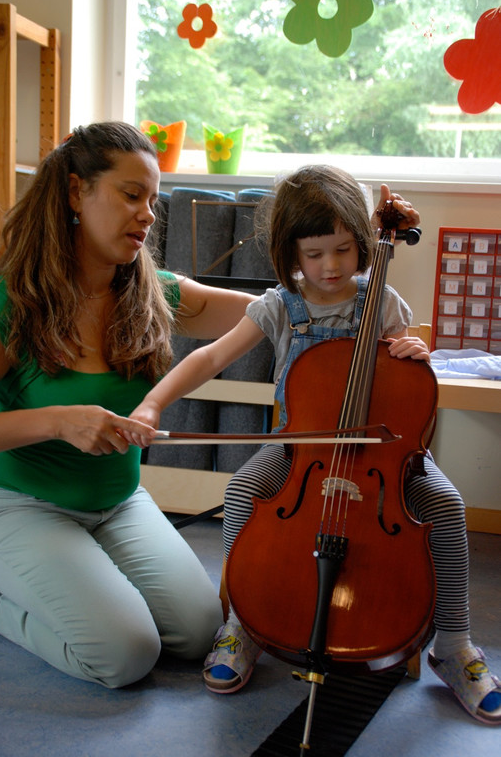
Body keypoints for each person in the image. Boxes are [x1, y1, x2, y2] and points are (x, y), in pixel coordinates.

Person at [127, 164, 501, 724]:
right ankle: (243, 626)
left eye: (344, 250)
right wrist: (153, 403)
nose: (330, 266)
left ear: (362, 246)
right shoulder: (280, 305)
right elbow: (210, 355)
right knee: (243, 490)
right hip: (299, 448)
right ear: (291, 254)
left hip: (379, 453)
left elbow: (405, 388)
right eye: (314, 253)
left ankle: (453, 643)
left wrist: (413, 356)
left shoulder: (384, 303)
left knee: (446, 506)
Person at [0, 121, 257, 688]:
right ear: (75, 192)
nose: (148, 215)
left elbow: (268, 312)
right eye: (132, 195)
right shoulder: (9, 300)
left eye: (153, 201)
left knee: (199, 631)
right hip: (17, 502)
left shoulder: (153, 291)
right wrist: (58, 422)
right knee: (125, 654)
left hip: (118, 501)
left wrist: (355, 302)